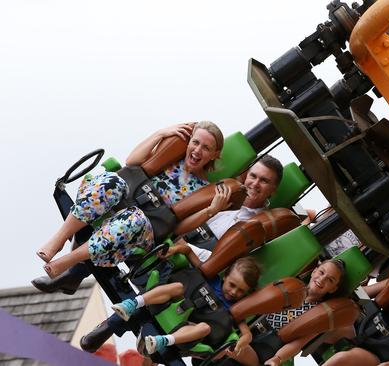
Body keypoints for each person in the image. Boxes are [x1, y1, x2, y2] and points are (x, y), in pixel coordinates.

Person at [78, 156, 283, 352]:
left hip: (196, 268)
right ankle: (77, 272)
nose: (255, 183)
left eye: (264, 181)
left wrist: (185, 248)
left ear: (273, 190)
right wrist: (210, 211)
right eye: (253, 176)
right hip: (174, 242)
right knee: (130, 224)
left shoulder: (259, 228)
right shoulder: (225, 196)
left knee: (174, 285)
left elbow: (226, 263)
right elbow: (181, 226)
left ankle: (110, 325)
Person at [37, 122, 224, 278]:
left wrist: (210, 211)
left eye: (206, 148)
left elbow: (179, 229)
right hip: (127, 197)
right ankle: (59, 239)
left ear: (215, 154)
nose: (197, 150)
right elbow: (131, 161)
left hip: (147, 226)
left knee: (134, 219)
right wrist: (160, 134)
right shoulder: (170, 156)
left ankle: (70, 260)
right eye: (195, 142)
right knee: (113, 180)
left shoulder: (203, 189)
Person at [107, 256, 260, 356]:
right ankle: (132, 304)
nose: (233, 292)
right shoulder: (210, 277)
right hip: (168, 305)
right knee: (178, 286)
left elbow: (246, 333)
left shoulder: (237, 310)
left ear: (247, 293)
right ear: (225, 275)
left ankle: (164, 340)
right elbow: (188, 253)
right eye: (232, 285)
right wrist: (176, 249)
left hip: (186, 327)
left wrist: (244, 340)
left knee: (205, 328)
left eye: (241, 291)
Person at [228, 259, 347, 366]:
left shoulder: (319, 314)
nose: (322, 279)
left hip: (267, 348)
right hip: (251, 330)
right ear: (314, 271)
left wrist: (277, 359)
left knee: (230, 347)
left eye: (330, 280)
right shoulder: (289, 288)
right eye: (321, 272)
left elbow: (298, 343)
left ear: (333, 289)